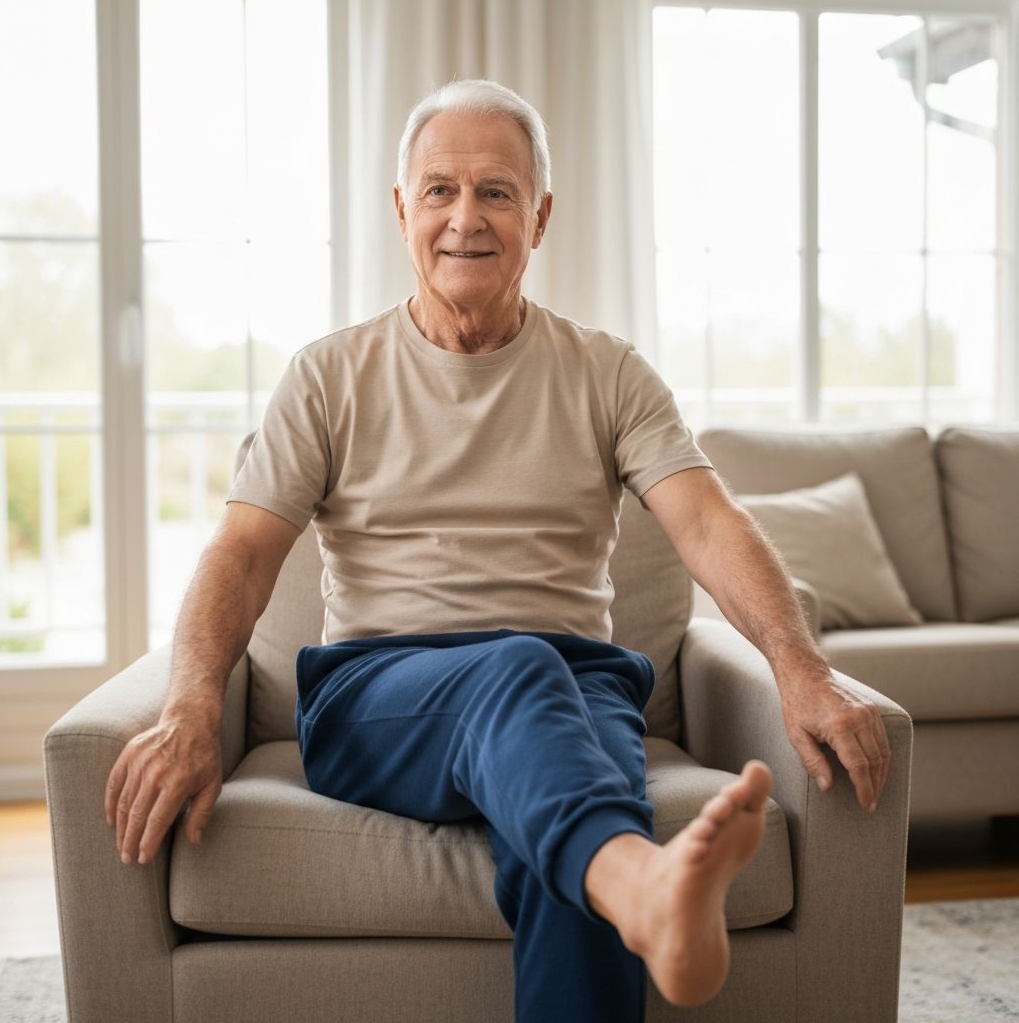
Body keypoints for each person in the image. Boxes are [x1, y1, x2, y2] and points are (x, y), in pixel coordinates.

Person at [104, 79, 891, 1022]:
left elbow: (710, 522)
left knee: (576, 818)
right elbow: (240, 554)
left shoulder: (609, 374)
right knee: (527, 675)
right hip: (375, 696)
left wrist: (801, 668)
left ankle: (629, 881)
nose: (464, 219)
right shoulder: (328, 375)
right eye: (439, 190)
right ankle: (642, 883)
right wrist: (191, 701)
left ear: (541, 215)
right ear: (402, 210)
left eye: (497, 192)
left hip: (578, 686)